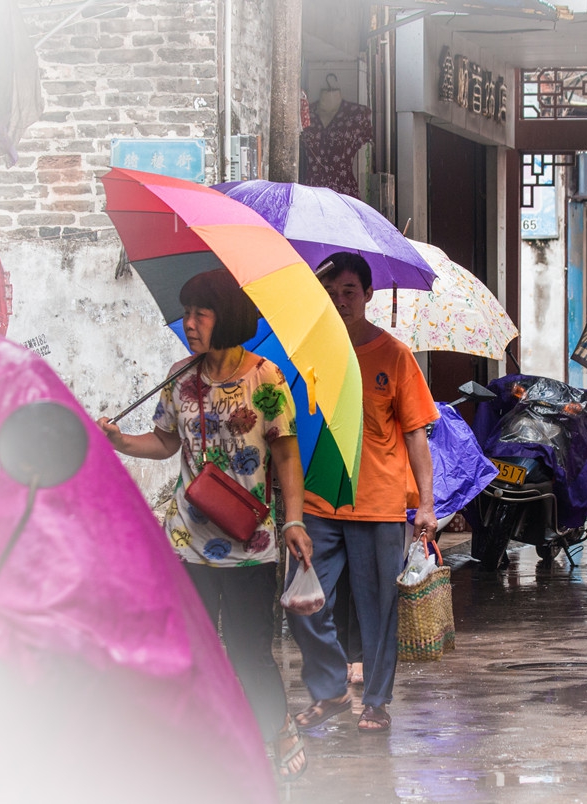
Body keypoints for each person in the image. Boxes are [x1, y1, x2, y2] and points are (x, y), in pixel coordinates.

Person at [97, 269, 313, 783]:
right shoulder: (180, 377)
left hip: (249, 544)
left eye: (201, 312)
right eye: (187, 311)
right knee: (190, 649)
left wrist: (294, 522)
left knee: (248, 650)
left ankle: (278, 729)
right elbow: (166, 442)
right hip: (186, 541)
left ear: (228, 316)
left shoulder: (265, 380)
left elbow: (285, 455)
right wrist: (122, 442)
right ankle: (203, 739)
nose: (190, 323)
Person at [286, 252, 438, 733]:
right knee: (304, 601)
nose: (340, 301)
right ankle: (331, 686)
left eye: (348, 292)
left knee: (378, 611)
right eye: (330, 294)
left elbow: (415, 433)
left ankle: (375, 700)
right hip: (317, 503)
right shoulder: (304, 355)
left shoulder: (394, 355)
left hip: (378, 504)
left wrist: (427, 505)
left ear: (368, 295)